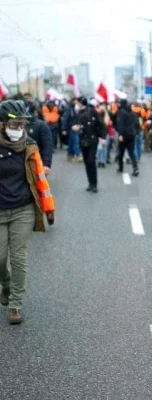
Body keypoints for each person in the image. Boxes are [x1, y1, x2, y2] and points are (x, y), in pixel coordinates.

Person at [0, 100, 56, 324]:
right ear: (3, 124)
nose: (19, 130)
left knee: (18, 256)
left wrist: (49, 208)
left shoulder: (30, 146)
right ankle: (6, 284)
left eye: (22, 125)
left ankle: (15, 304)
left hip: (22, 209)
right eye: (15, 125)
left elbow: (40, 179)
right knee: (0, 257)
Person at [75, 96, 106, 193]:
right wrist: (75, 127)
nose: (77, 105)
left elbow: (101, 124)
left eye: (78, 103)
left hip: (92, 140)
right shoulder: (79, 113)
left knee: (90, 161)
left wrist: (103, 137)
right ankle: (90, 183)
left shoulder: (92, 111)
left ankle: (94, 184)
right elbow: (78, 124)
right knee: (86, 162)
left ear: (81, 103)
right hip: (83, 140)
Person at [116, 99, 140, 176]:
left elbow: (121, 124)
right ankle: (135, 168)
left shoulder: (121, 112)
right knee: (131, 152)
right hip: (131, 135)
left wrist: (120, 134)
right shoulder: (132, 113)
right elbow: (137, 123)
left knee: (121, 152)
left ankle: (120, 167)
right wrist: (136, 132)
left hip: (124, 135)